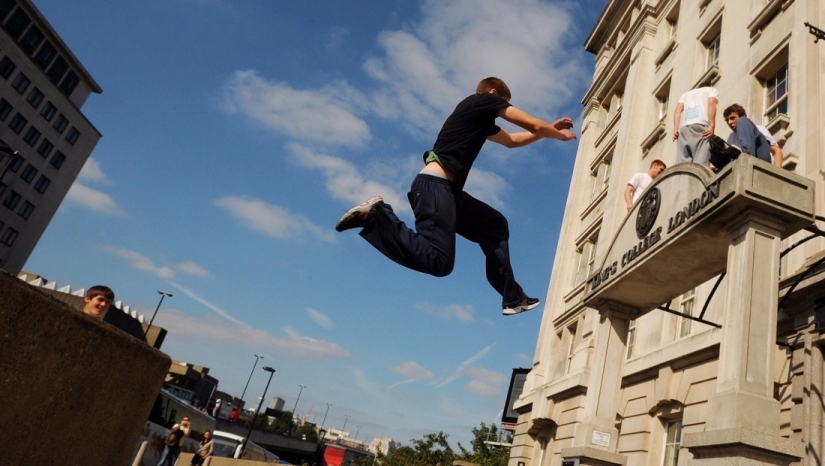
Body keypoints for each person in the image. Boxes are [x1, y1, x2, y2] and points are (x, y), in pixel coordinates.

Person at [335, 77, 577, 316]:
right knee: (439, 262)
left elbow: (512, 141)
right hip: (434, 186)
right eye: (504, 104)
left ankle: (512, 297)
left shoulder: (480, 117)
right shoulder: (482, 101)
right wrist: (559, 135)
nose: (502, 111)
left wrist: (548, 132)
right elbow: (532, 124)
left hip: (447, 192)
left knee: (495, 224)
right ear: (493, 93)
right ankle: (376, 216)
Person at [708, 103, 782, 170]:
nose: (729, 122)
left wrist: (777, 174)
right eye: (727, 120)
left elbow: (777, 151)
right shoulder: (731, 137)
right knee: (716, 144)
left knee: (743, 121)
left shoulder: (759, 128)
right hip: (744, 166)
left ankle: (744, 150)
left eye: (732, 118)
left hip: (762, 161)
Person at [672, 86, 719, 166]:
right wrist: (712, 125)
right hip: (700, 126)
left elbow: (678, 109)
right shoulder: (711, 90)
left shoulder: (685, 94)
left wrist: (676, 129)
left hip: (684, 129)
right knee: (701, 162)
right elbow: (711, 103)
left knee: (682, 164)